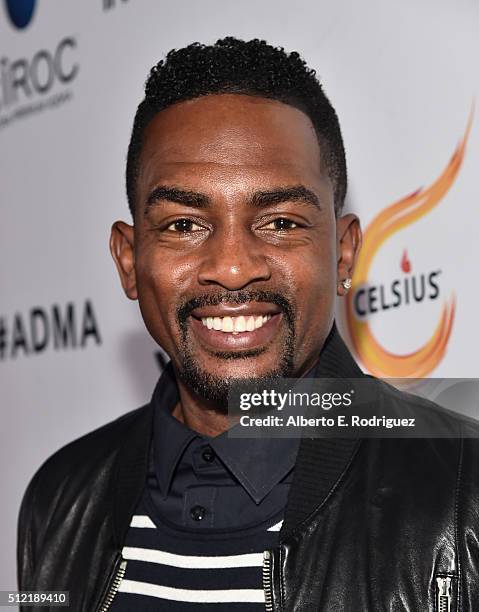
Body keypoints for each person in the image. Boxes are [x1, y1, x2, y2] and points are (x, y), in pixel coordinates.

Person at [17, 37, 479, 611]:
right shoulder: (60, 497)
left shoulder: (466, 490)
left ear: (342, 254)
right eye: (184, 225)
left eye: (281, 222)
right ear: (129, 262)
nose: (233, 269)